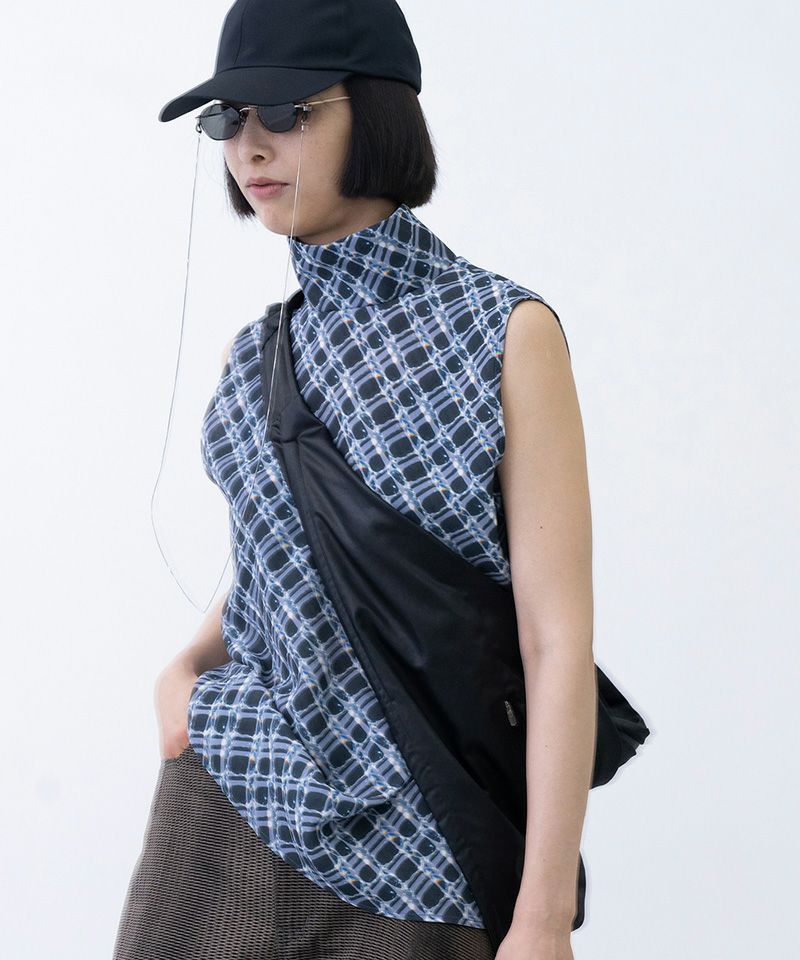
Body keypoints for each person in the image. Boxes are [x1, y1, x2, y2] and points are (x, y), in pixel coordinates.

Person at [113, 2, 603, 959]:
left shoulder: (503, 333)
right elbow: (279, 561)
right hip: (236, 789)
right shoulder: (257, 354)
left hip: (420, 839)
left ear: (377, 114)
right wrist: (185, 667)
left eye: (285, 112)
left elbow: (555, 640)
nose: (250, 148)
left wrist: (543, 915)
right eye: (228, 120)